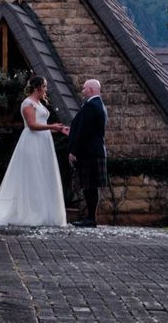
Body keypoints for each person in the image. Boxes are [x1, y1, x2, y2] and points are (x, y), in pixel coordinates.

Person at [0, 75, 69, 227]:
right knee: (33, 175)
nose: (46, 90)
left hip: (43, 142)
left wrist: (59, 129)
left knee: (43, 175)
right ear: (37, 88)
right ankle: (31, 212)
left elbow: (42, 124)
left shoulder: (39, 103)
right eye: (44, 87)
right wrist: (52, 127)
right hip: (32, 142)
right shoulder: (27, 103)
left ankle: (44, 212)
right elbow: (32, 125)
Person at [68, 78, 108, 227]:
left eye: (84, 88)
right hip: (95, 151)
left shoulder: (91, 106)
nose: (82, 90)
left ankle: (91, 219)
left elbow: (84, 131)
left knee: (89, 186)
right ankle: (91, 218)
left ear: (91, 90)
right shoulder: (98, 105)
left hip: (89, 152)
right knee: (91, 186)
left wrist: (73, 151)